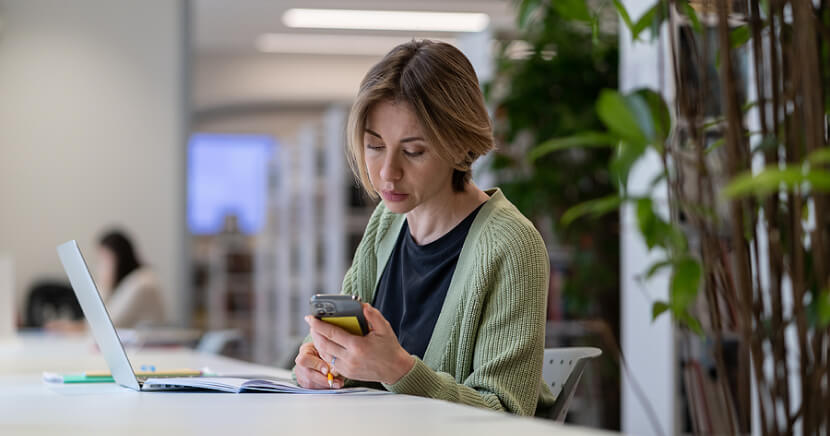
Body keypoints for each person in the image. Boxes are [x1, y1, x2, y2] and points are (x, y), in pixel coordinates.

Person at [293, 40, 555, 417]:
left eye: (413, 151)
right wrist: (317, 365)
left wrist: (398, 369)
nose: (387, 173)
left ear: (460, 144)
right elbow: (335, 351)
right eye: (374, 146)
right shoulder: (387, 221)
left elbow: (507, 415)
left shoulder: (512, 245)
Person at [46, 230, 166, 331]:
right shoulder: (125, 283)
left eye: (104, 260)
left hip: (153, 350)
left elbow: (107, 324)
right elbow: (97, 320)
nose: (100, 267)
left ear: (120, 259)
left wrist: (70, 327)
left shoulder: (142, 282)